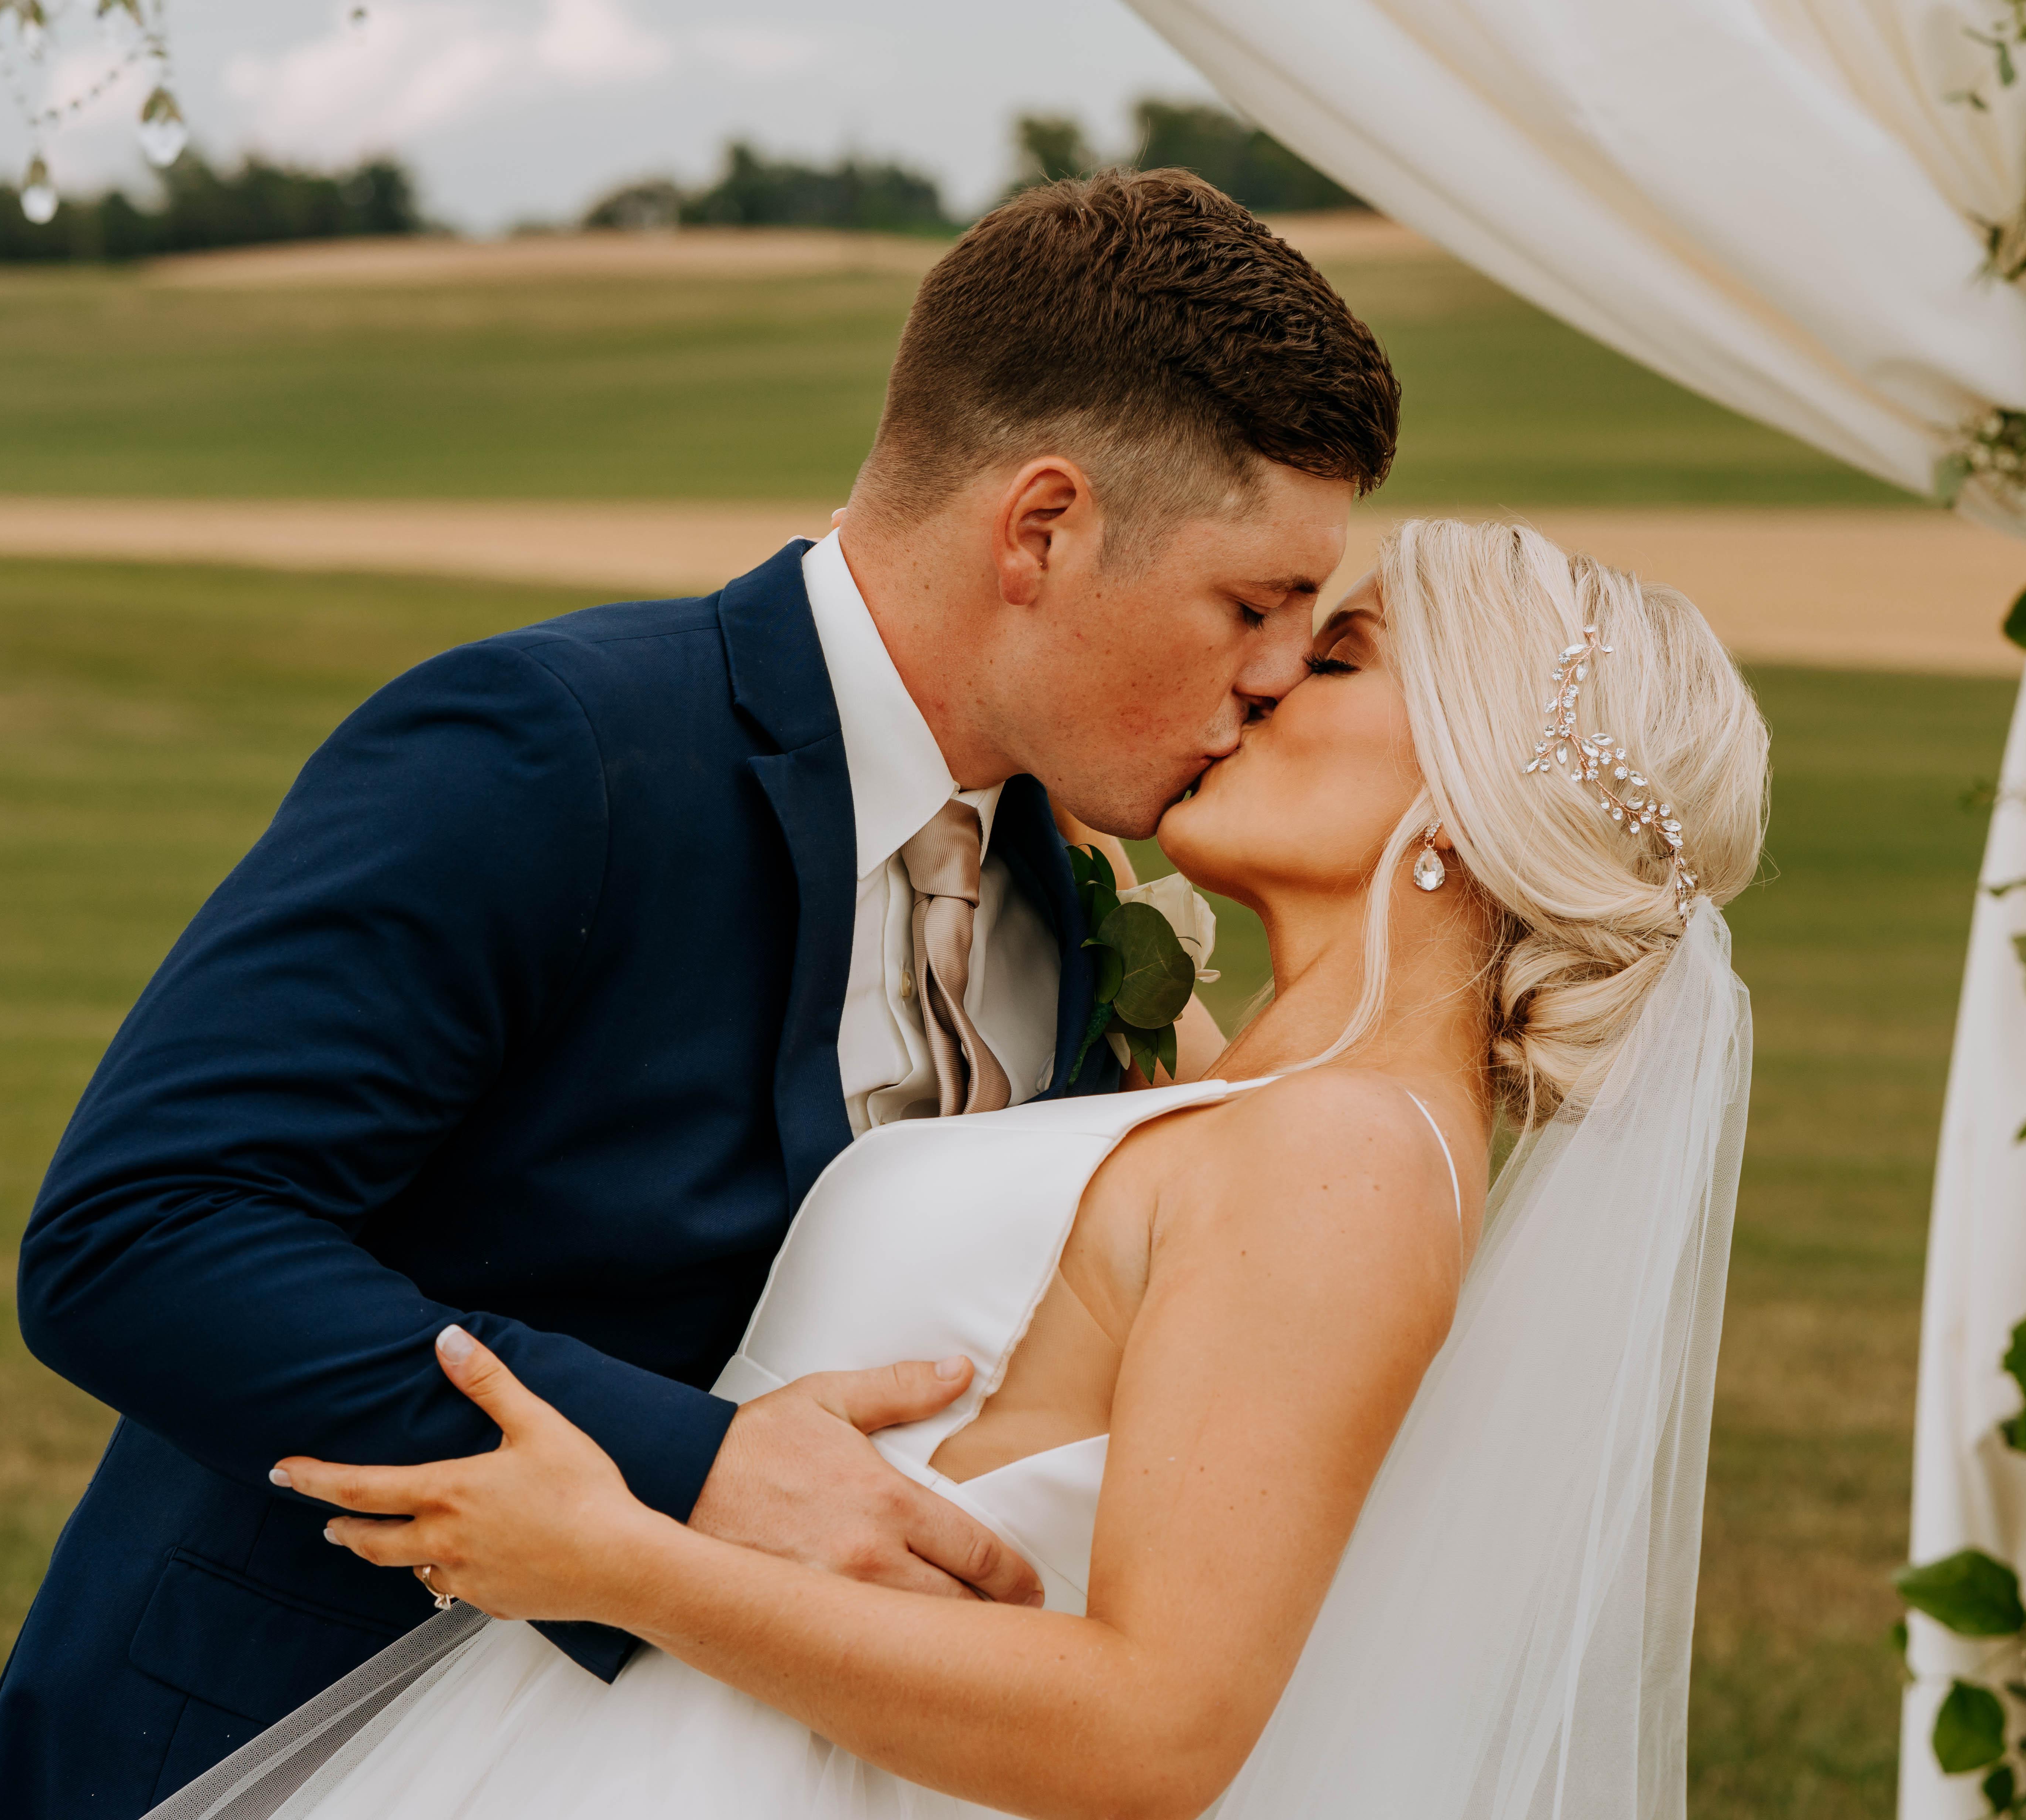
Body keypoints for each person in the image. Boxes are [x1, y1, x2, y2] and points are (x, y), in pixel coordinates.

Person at [0, 169, 1400, 1819]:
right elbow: (139, 1234)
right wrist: (697, 1472)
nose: (1277, 672)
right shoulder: (554, 751)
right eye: (1254, 604)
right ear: (1042, 529)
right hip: (270, 1743)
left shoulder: (1068, 896)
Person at [145, 518, 1771, 1820]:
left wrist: (623, 1560)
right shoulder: (1266, 1097)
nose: (1268, 679)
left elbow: (1157, 1732)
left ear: (1473, 794)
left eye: (1337, 654)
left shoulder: (1353, 1159)